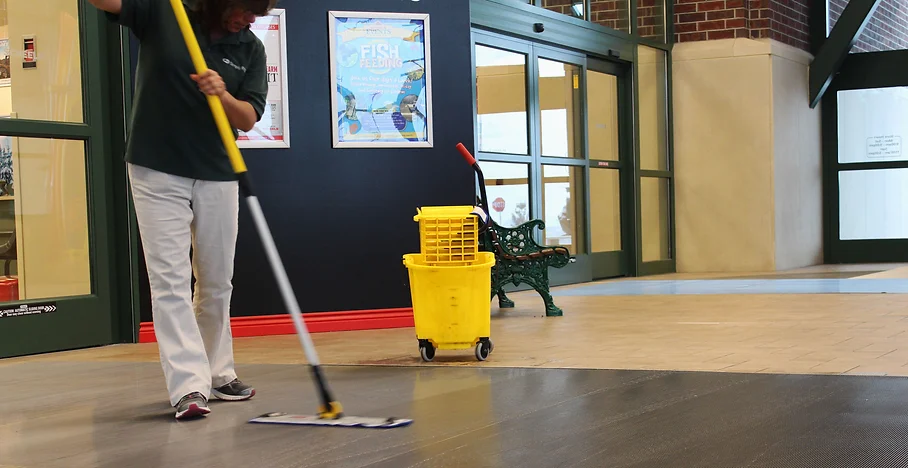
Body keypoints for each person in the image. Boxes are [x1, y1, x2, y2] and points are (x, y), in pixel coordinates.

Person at [87, 0, 276, 420]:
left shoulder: (250, 48)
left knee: (216, 279)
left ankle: (217, 371)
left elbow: (248, 117)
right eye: (247, 9)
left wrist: (221, 93)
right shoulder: (165, 12)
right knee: (169, 279)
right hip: (157, 166)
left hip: (217, 169)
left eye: (257, 15)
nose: (251, 20)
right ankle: (189, 386)